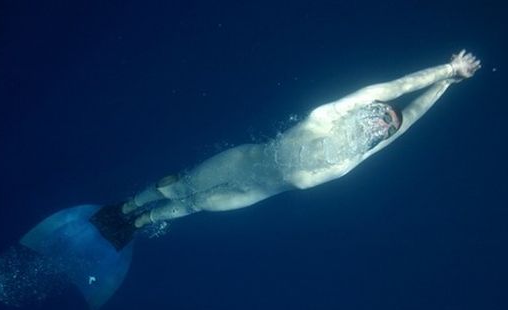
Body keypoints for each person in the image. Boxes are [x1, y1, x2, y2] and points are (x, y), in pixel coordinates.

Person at [105, 50, 481, 241]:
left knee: (194, 204)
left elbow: (410, 117)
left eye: (387, 128)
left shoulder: (355, 156)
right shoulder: (328, 116)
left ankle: (136, 224)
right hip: (239, 163)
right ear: (366, 108)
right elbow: (398, 88)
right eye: (383, 114)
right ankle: (126, 206)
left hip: (253, 193)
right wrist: (447, 70)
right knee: (182, 185)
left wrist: (447, 87)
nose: (384, 123)